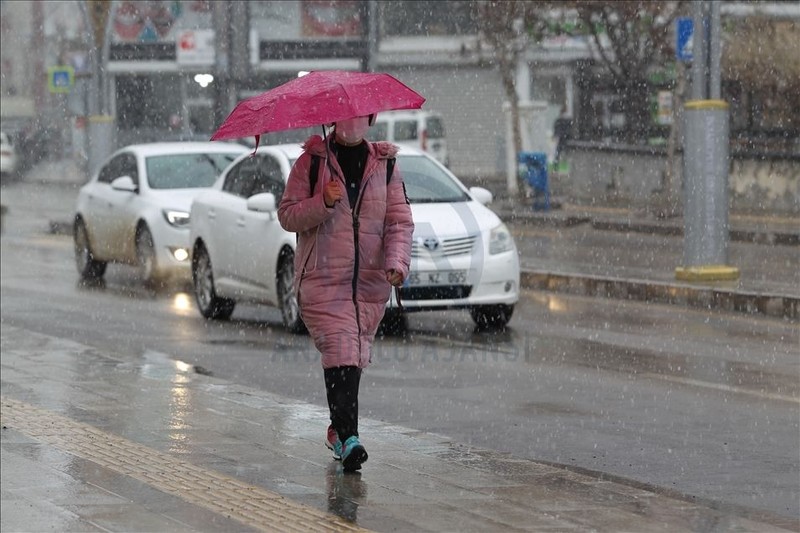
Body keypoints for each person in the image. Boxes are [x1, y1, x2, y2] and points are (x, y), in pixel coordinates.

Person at [277, 114, 414, 472]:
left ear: (370, 119)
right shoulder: (312, 163)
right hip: (322, 276)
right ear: (334, 120)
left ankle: (338, 431)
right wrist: (322, 201)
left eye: (360, 117)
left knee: (353, 355)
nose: (353, 123)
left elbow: (399, 222)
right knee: (342, 348)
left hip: (369, 282)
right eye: (345, 117)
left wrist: (397, 262)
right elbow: (288, 216)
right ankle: (350, 438)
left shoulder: (385, 166)